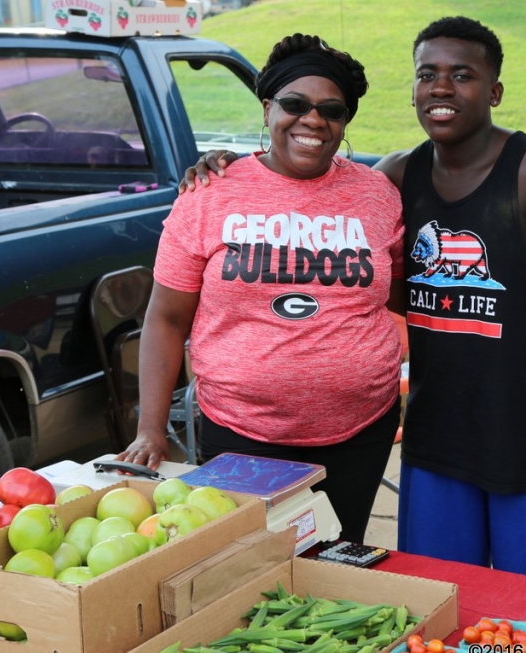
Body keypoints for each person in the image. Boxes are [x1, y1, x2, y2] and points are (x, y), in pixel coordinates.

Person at [181, 17, 526, 584]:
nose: (441, 87)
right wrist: (227, 169)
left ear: (495, 91)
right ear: (412, 89)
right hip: (436, 438)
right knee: (439, 598)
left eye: (462, 75)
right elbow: (312, 191)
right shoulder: (396, 178)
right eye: (427, 74)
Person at [117, 33, 406, 544]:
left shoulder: (376, 194)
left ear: (345, 122)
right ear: (268, 107)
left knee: (339, 559)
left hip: (360, 431)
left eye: (331, 110)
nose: (313, 120)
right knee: (252, 561)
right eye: (295, 105)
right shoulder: (210, 192)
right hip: (241, 430)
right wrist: (150, 429)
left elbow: (402, 296)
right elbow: (166, 318)